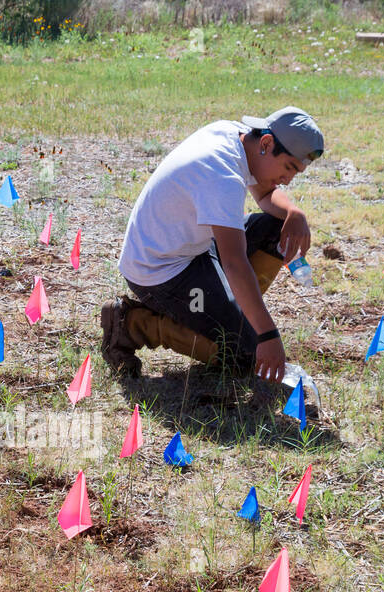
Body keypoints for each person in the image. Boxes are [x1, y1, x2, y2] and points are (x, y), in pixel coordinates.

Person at [101, 107, 323, 386]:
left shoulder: (237, 136)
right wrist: (266, 334)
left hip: (193, 247)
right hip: (160, 271)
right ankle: (133, 324)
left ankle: (231, 312)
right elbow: (234, 263)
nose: (289, 179)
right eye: (289, 167)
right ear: (266, 143)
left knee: (277, 229)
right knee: (247, 354)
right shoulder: (222, 174)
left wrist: (294, 213)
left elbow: (266, 193)